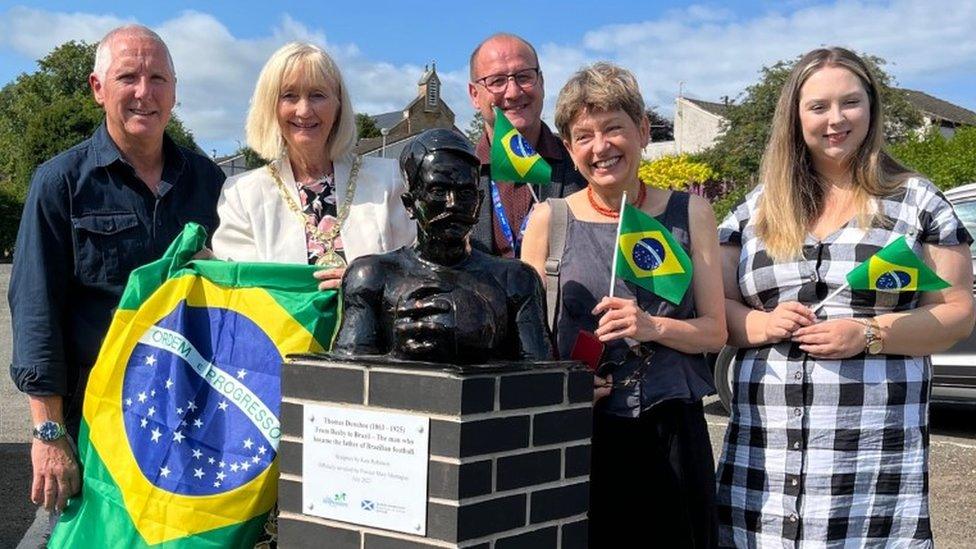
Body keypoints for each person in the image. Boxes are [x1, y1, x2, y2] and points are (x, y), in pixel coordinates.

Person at [715, 47, 974, 547]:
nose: (836, 119)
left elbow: (958, 314)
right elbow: (717, 309)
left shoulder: (917, 200)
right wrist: (759, 325)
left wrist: (869, 333)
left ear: (872, 108)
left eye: (850, 103)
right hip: (764, 463)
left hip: (870, 463)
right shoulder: (755, 209)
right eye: (818, 107)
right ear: (795, 116)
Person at [8, 24, 224, 520]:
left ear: (175, 89)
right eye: (127, 77)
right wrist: (48, 433)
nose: (144, 93)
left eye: (157, 78)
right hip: (93, 419)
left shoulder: (209, 182)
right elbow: (37, 313)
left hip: (186, 413)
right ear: (97, 88)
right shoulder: (60, 182)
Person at [521, 63, 727, 547]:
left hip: (671, 429)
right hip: (579, 434)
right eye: (583, 136)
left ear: (641, 132)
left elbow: (716, 331)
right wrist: (565, 385)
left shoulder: (690, 212)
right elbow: (526, 344)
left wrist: (652, 325)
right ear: (570, 150)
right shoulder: (547, 221)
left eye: (614, 127)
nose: (601, 147)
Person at [332, 128, 552, 364]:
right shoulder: (371, 277)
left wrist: (481, 355)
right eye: (438, 190)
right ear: (410, 203)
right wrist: (399, 356)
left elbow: (543, 378)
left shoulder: (516, 281)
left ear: (478, 203)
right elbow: (346, 379)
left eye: (465, 192)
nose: (452, 204)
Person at [211, 42, 415, 289]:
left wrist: (368, 283)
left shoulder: (389, 181)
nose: (304, 110)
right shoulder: (241, 195)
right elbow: (240, 291)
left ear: (338, 104)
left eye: (317, 95)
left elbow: (418, 272)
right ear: (270, 107)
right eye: (289, 96)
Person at [467, 33, 586, 258]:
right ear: (474, 94)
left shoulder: (582, 166)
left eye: (523, 77)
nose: (513, 92)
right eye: (497, 81)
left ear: (541, 82)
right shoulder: (457, 174)